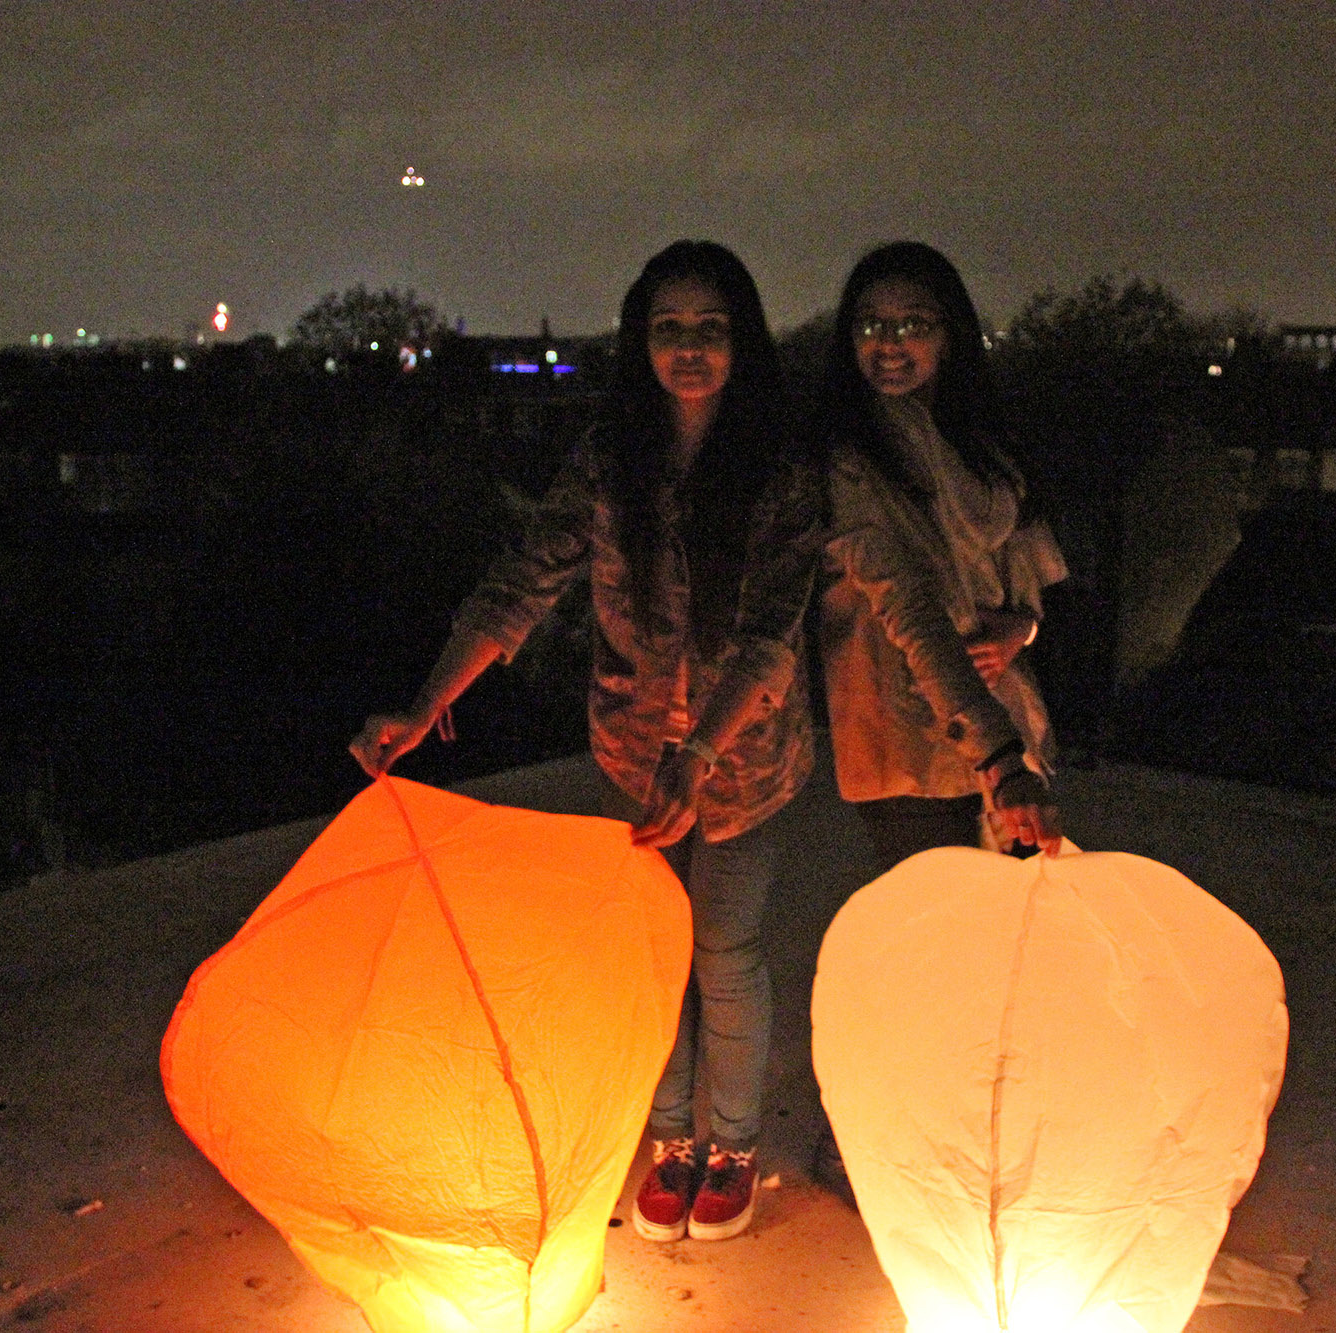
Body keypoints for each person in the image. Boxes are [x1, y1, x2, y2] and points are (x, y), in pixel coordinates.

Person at [350, 240, 822, 1245]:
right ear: (637, 342)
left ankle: (730, 1143)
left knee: (726, 948)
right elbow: (524, 581)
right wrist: (425, 700)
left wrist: (699, 756)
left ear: (741, 340)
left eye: (709, 328)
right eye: (667, 329)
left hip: (742, 760)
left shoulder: (783, 469)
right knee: (649, 945)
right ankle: (667, 1140)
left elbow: (770, 634)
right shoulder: (611, 459)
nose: (688, 349)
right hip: (631, 747)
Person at [818, 240, 1066, 869]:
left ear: (951, 334)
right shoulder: (848, 458)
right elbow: (907, 606)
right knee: (940, 938)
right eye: (871, 324)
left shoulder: (982, 444)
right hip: (905, 736)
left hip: (1004, 714)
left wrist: (1022, 630)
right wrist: (999, 758)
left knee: (1012, 933)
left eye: (914, 324)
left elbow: (1030, 577)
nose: (890, 343)